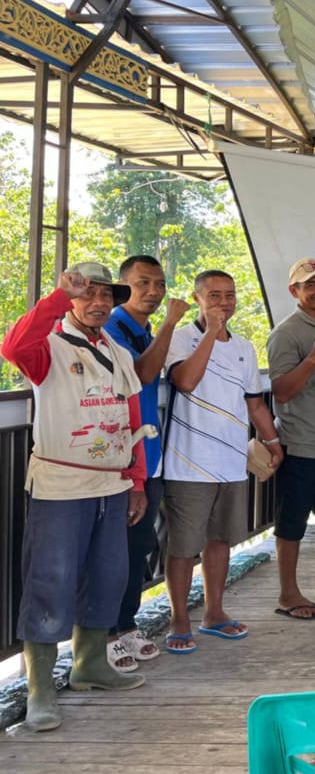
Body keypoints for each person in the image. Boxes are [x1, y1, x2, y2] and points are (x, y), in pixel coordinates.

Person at [2, 264, 148, 731]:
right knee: (51, 579)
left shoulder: (116, 350)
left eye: (106, 295)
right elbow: (13, 348)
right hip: (61, 484)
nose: (98, 303)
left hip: (113, 483)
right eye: (88, 294)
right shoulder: (49, 345)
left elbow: (132, 416)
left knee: (108, 576)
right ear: (70, 299)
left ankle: (90, 664)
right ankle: (40, 688)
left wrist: (137, 480)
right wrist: (55, 298)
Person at [161, 270, 280, 653]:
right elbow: (185, 382)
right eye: (214, 295)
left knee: (220, 540)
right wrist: (211, 332)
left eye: (230, 295)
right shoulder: (180, 338)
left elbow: (255, 403)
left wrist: (273, 441)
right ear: (197, 298)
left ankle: (214, 613)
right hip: (187, 462)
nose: (223, 302)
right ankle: (180, 619)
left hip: (231, 461)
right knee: (183, 545)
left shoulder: (244, 346)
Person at [102, 255, 187, 671]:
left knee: (137, 548)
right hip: (116, 459)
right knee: (111, 550)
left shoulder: (143, 330)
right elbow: (142, 374)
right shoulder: (112, 328)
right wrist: (171, 323)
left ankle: (126, 625)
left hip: (147, 459)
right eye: (142, 283)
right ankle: (104, 635)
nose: (153, 292)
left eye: (160, 284)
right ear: (123, 287)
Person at [266, 257, 315, 620]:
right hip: (300, 442)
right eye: (310, 284)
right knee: (292, 521)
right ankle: (288, 593)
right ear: (293, 291)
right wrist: (312, 359)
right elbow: (281, 391)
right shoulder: (286, 333)